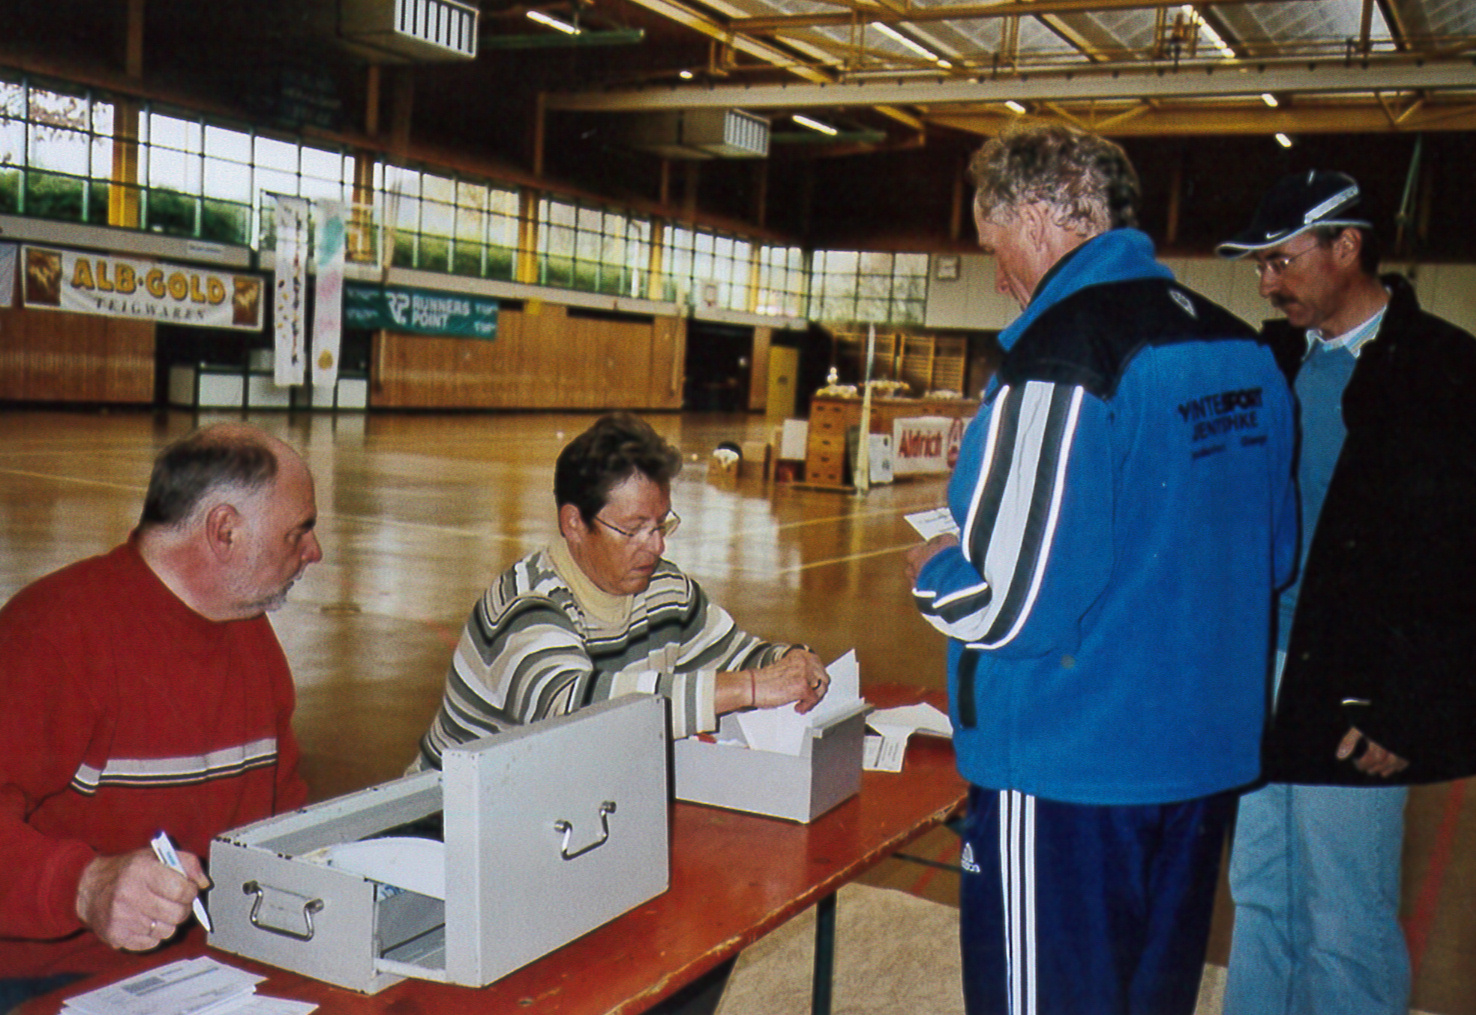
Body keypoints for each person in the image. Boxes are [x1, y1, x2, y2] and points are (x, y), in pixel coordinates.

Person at [905, 123, 1296, 1015]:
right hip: (1196, 768)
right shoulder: (1244, 350)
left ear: (1039, 219)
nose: (998, 276)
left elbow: (1007, 605)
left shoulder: (1060, 358)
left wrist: (936, 568)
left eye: (994, 245)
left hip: (1068, 773)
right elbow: (1272, 558)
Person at [1215, 170, 1476, 1015]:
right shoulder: (1272, 362)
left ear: (1347, 246)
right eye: (1260, 266)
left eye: (1282, 261)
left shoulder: (1443, 368)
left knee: (1346, 912)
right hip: (1262, 667)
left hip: (1358, 681)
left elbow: (1459, 564)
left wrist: (1409, 706)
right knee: (1260, 889)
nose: (1267, 283)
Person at [0, 424, 321, 1008]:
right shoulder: (52, 636)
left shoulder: (250, 634)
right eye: (298, 531)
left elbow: (284, 816)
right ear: (224, 530)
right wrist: (85, 887)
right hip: (53, 981)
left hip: (212, 968)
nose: (313, 551)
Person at [414, 411, 830, 768]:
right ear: (574, 523)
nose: (657, 546)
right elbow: (574, 712)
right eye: (634, 529)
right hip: (446, 819)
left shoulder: (665, 589)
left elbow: (738, 655)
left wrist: (789, 660)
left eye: (661, 524)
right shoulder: (524, 606)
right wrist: (749, 687)